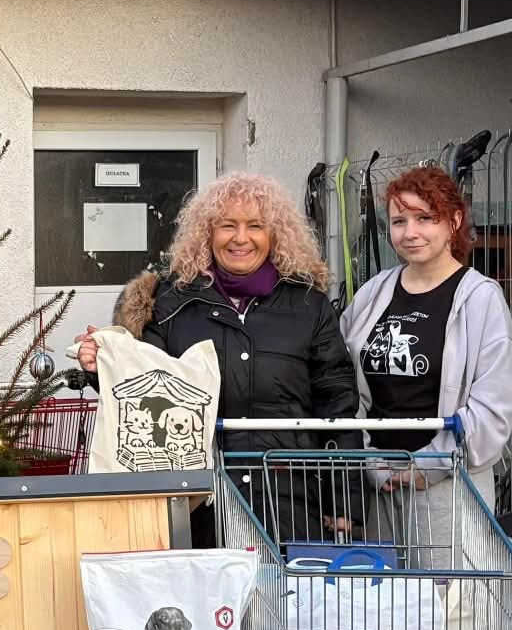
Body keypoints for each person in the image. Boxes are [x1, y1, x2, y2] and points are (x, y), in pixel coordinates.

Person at [340, 163, 512, 630]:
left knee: (451, 619)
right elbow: (348, 391)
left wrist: (429, 465)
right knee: (390, 617)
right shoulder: (373, 295)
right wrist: (370, 463)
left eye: (424, 217)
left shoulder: (479, 299)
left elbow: (494, 403)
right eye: (398, 220)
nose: (410, 231)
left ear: (453, 222)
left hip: (447, 490)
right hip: (380, 484)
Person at [75, 170, 361, 532]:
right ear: (206, 232)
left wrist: (344, 503)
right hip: (194, 505)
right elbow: (144, 388)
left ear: (275, 233)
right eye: (228, 225)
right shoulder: (169, 302)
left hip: (288, 502)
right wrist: (100, 363)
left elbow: (337, 405)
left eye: (255, 225)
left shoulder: (309, 306)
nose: (241, 238)